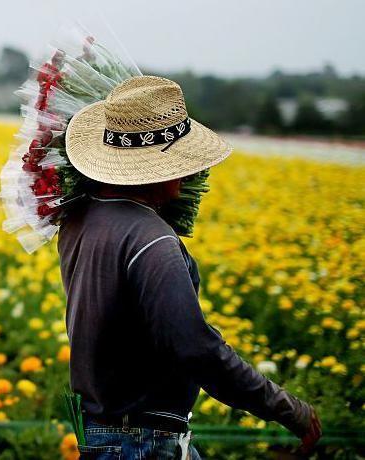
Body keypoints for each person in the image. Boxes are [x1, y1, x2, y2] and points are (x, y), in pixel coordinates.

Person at [57, 76, 322, 459]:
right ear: (156, 168)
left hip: (106, 433)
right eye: (181, 160)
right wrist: (287, 408)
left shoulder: (80, 218)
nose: (188, 174)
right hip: (144, 443)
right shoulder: (152, 241)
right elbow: (196, 349)